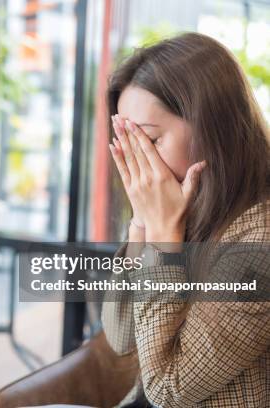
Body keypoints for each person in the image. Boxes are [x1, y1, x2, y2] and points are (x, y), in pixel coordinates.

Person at [101, 33, 269, 407]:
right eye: (127, 145)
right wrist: (143, 225)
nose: (135, 163)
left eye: (148, 141)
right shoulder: (184, 210)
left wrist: (163, 238)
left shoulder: (260, 239)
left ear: (213, 129)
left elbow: (169, 388)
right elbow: (119, 336)